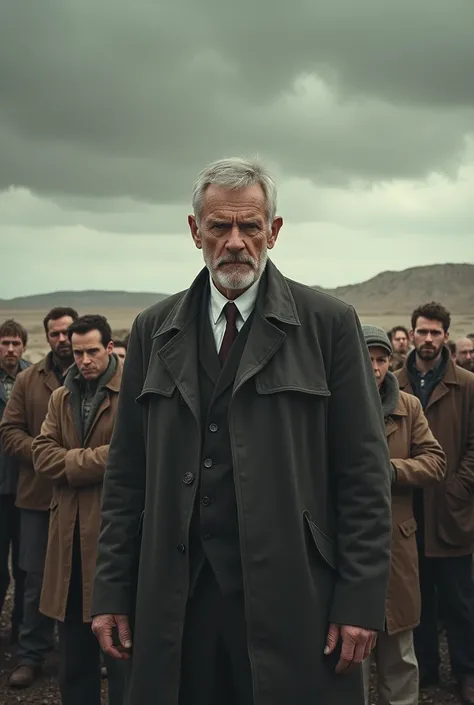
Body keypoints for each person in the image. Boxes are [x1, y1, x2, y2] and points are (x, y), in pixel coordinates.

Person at [91, 157, 393, 705]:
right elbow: (126, 476)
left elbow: (364, 476)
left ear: (273, 232)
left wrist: (359, 602)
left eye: (250, 227)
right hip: (177, 598)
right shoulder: (152, 330)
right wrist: (111, 590)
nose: (235, 242)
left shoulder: (328, 324)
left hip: (295, 597)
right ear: (194, 232)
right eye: (219, 227)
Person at [30, 314, 124, 705]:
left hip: (112, 537)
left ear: (108, 348)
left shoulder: (130, 393)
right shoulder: (61, 397)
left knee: (121, 654)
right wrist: (90, 462)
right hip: (67, 538)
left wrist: (70, 463)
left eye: (91, 352)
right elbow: (41, 454)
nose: (83, 360)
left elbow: (130, 455)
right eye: (78, 352)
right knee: (72, 657)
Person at [361, 325, 446, 705]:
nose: (376, 367)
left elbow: (435, 461)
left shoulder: (408, 407)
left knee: (399, 659)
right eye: (368, 358)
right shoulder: (329, 404)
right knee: (348, 662)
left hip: (397, 545)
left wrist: (392, 470)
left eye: (382, 360)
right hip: (346, 545)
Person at [395, 302, 474, 705]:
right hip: (409, 510)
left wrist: (459, 488)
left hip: (451, 509)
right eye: (422, 332)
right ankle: (425, 668)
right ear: (411, 334)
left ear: (446, 335)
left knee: (459, 598)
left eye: (435, 333)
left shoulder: (468, 384)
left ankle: (466, 672)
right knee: (417, 595)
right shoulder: (394, 383)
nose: (428, 340)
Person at [0, 307, 78, 688]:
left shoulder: (95, 375)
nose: (62, 340)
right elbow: (9, 432)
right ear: (46, 338)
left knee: (85, 576)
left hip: (87, 499)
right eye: (55, 334)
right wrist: (48, 456)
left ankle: (82, 654)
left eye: (67, 333)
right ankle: (32, 655)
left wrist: (75, 464)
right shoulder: (29, 380)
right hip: (36, 498)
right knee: (34, 579)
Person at [0, 320, 31, 645]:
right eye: (4, 342)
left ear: (23, 345)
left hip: (24, 488)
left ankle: (22, 632)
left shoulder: (31, 377)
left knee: (26, 567)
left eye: (15, 343)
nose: (10, 349)